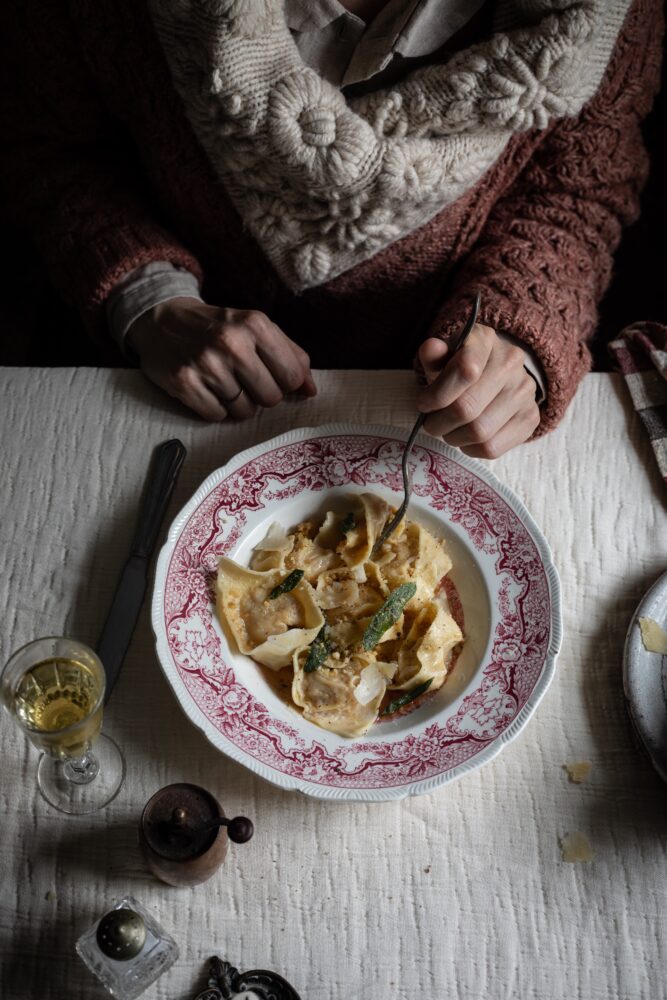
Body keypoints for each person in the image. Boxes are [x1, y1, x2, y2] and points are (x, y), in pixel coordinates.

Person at [1, 0, 662, 456]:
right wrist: (147, 298)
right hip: (154, 389)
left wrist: (520, 340)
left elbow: (576, 190)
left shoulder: (599, 17)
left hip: (431, 403)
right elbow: (50, 147)